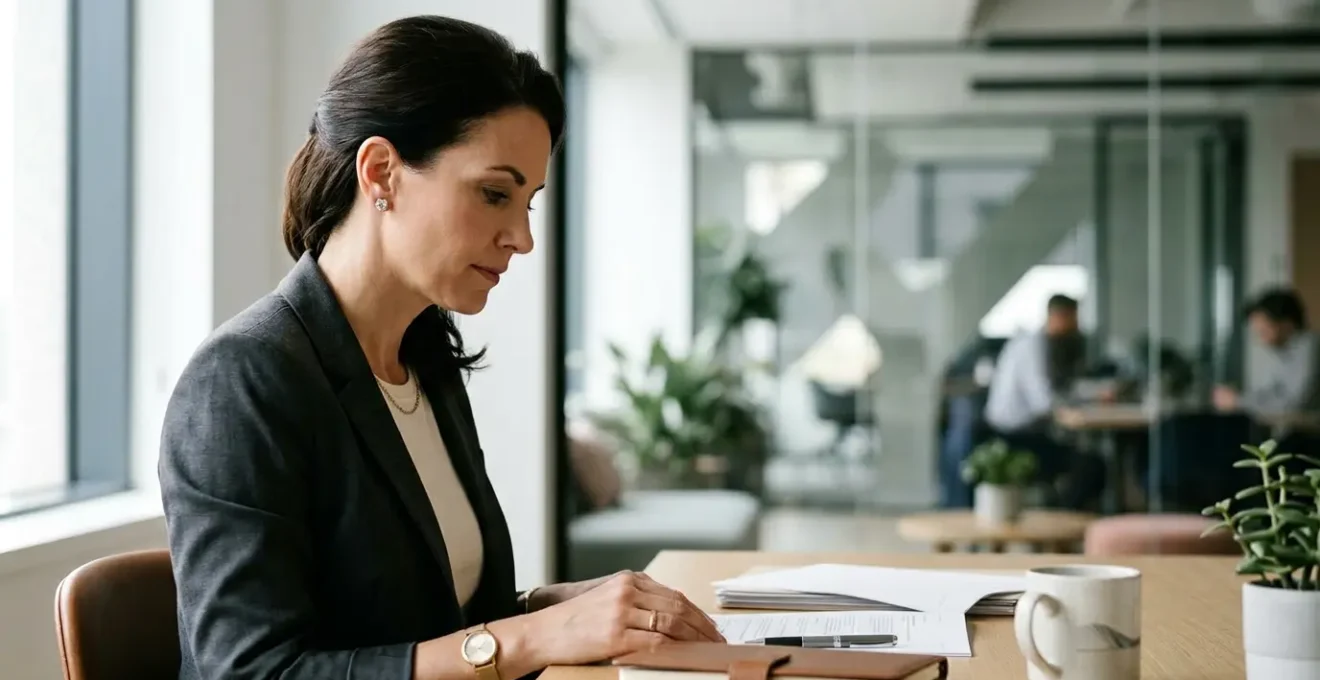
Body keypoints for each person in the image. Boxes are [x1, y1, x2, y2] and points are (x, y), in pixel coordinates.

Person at [157, 16, 721, 680]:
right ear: (381, 173)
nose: (521, 238)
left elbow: (418, 627)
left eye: (528, 203)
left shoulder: (426, 359)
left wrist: (552, 609)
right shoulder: (243, 381)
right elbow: (254, 672)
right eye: (493, 194)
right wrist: (535, 637)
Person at [982, 294, 1105, 509]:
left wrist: (1088, 396)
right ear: (1059, 316)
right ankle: (1062, 520)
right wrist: (1076, 406)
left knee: (1085, 459)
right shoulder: (1033, 346)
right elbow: (1043, 401)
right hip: (1012, 438)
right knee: (1092, 465)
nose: (1076, 326)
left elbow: (1059, 392)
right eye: (1074, 319)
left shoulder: (1036, 343)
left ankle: (1061, 515)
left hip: (1020, 432)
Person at [1214, 287, 1320, 420]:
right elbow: (1274, 394)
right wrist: (1239, 397)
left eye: (1263, 331)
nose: (1260, 338)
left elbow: (1295, 405)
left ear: (1287, 324)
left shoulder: (1309, 347)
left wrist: (1239, 401)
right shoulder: (1288, 350)